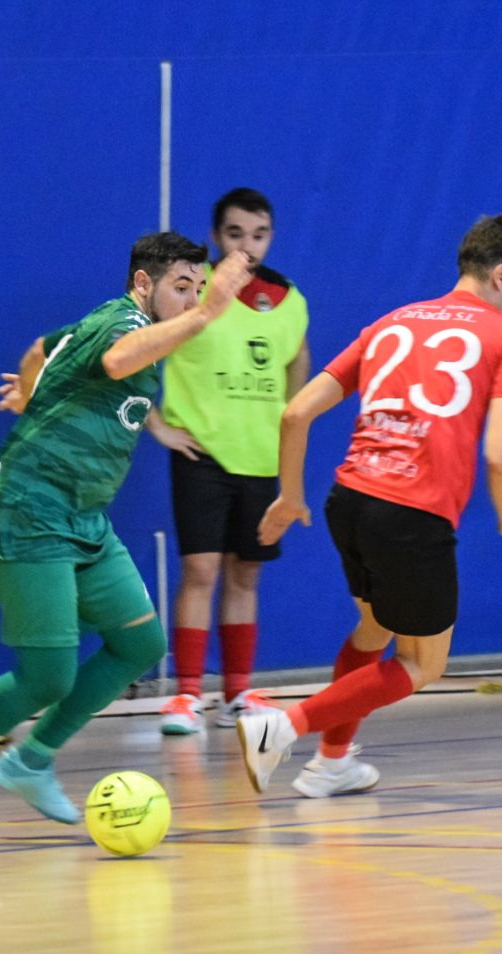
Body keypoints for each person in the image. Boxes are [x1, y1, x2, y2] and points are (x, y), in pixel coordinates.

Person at [0, 235, 255, 844]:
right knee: (47, 678)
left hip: (84, 518)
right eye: (181, 286)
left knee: (141, 643)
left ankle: (30, 760)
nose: (193, 296)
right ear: (144, 284)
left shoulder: (126, 326)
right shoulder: (124, 320)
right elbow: (117, 362)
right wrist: (208, 312)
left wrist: (30, 386)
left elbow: (42, 346)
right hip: (28, 509)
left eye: (199, 285)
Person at [237, 214, 502, 798]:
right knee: (423, 664)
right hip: (412, 512)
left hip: (350, 500)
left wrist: (289, 496)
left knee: (374, 628)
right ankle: (280, 728)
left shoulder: (392, 322)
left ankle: (331, 764)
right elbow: (500, 452)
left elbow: (295, 413)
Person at [145, 188, 311, 734]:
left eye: (259, 234)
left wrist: (291, 448)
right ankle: (186, 696)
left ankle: (237, 693)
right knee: (200, 569)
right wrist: (157, 424)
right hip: (203, 454)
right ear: (216, 237)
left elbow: (298, 373)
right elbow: (138, 349)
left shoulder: (289, 300)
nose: (248, 245)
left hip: (262, 460)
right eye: (236, 233)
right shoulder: (192, 292)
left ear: (271, 237)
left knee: (247, 574)